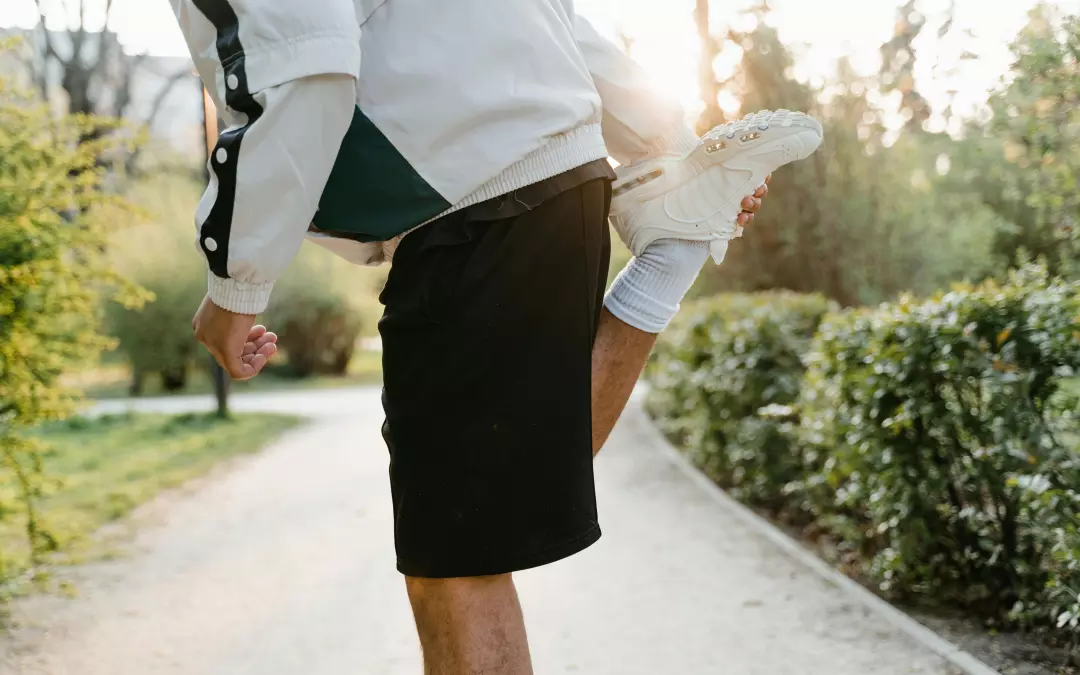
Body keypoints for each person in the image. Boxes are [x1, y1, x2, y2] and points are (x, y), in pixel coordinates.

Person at [172, 1, 822, 673]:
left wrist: (234, 284)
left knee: (457, 563)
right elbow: (554, 23)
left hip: (469, 194)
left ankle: (673, 247)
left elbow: (308, 68)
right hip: (553, 172)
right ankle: (670, 245)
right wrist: (669, 145)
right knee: (468, 529)